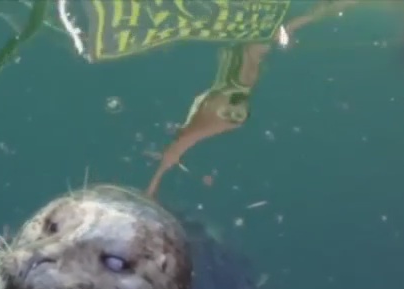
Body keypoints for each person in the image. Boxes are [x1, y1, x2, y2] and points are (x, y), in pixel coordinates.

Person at [144, 0, 356, 196]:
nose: (235, 107)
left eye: (228, 112)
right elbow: (264, 42)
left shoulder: (227, 89)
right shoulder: (243, 80)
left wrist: (154, 184)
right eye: (239, 114)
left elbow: (187, 140)